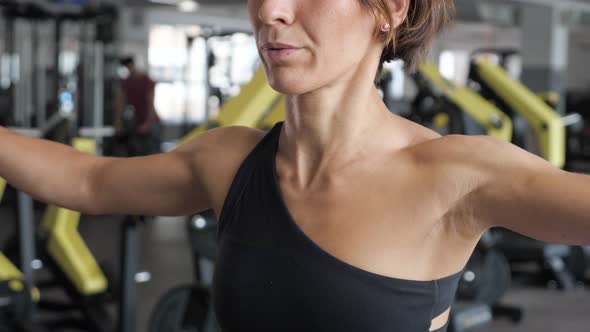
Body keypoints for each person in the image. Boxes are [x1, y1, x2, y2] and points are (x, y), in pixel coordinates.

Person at [1, 0, 589, 331]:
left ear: (387, 11)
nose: (269, 10)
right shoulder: (229, 159)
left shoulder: (456, 175)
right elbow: (89, 180)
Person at [113, 56, 161, 155]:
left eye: (130, 67)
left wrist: (148, 123)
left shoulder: (147, 81)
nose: (129, 70)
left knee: (152, 154)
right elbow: (120, 104)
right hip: (137, 123)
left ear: (133, 65)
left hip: (151, 122)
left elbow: (150, 104)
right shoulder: (126, 83)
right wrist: (118, 123)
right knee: (135, 152)